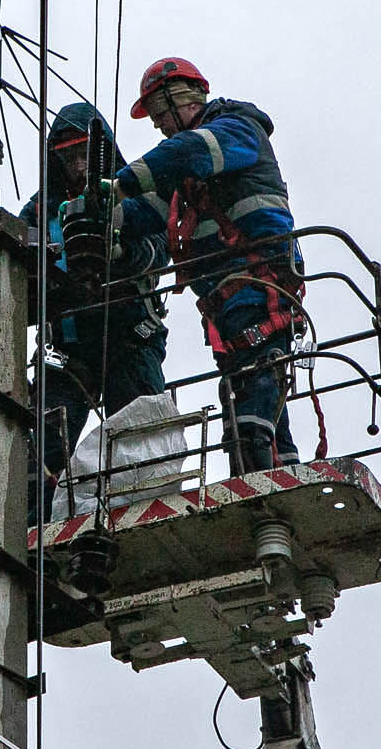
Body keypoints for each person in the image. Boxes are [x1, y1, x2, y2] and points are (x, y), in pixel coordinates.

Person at [114, 58, 304, 473]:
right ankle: (280, 471)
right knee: (250, 387)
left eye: (160, 113)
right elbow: (148, 212)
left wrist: (120, 184)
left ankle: (256, 473)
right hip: (227, 296)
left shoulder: (237, 130)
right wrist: (104, 217)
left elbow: (189, 152)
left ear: (182, 98)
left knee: (255, 381)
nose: (158, 125)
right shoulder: (186, 173)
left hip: (260, 278)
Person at [22, 102, 169, 525]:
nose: (77, 164)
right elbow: (15, 261)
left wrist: (119, 252)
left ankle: (139, 518)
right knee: (43, 448)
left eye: (83, 153)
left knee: (138, 435)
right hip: (67, 348)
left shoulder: (128, 192)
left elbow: (159, 249)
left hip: (130, 334)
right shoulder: (40, 211)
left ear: (99, 150)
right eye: (67, 156)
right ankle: (34, 531)